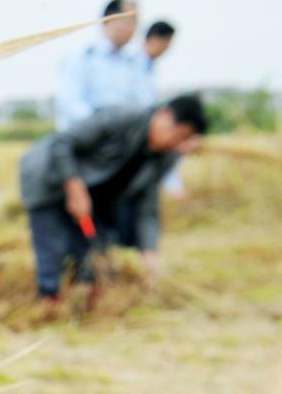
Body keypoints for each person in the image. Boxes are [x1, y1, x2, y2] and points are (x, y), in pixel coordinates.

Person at [19, 95, 209, 304]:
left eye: (183, 141)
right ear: (164, 115)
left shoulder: (165, 155)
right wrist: (74, 187)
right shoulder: (123, 117)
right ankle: (48, 301)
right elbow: (62, 143)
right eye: (177, 134)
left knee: (95, 245)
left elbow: (148, 206)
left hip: (95, 192)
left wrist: (149, 252)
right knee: (52, 242)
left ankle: (85, 299)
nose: (175, 143)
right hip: (48, 177)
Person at [55, 0, 142, 131]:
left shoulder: (133, 63)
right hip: (85, 141)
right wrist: (104, 126)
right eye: (130, 21)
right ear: (112, 19)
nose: (134, 28)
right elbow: (72, 106)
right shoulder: (82, 58)